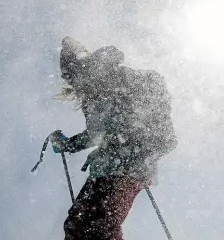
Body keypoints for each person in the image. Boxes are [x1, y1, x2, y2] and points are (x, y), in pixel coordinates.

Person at [50, 36, 177, 240]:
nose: (75, 82)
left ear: (85, 64)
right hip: (104, 167)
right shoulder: (91, 100)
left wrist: (145, 140)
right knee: (76, 225)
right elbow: (95, 134)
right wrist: (68, 144)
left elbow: (153, 85)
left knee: (102, 225)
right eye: (69, 78)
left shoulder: (115, 77)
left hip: (131, 164)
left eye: (74, 74)